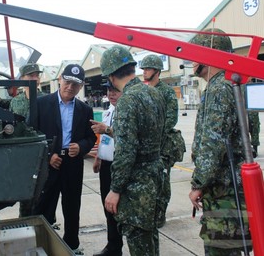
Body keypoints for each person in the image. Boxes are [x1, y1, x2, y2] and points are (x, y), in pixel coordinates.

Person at [188, 29, 252, 255]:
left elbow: (212, 144)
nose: (192, 61)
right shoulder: (230, 84)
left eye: (196, 54)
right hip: (229, 186)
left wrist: (198, 183)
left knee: (222, 249)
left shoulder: (219, 88)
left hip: (224, 191)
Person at [101, 45, 165, 256]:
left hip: (137, 188)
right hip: (156, 179)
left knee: (139, 243)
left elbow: (126, 151)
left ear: (111, 75)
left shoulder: (128, 100)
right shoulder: (153, 93)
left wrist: (115, 189)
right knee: (151, 241)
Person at [33, 64, 97, 255]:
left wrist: (81, 146)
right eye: (67, 82)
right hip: (50, 163)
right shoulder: (42, 104)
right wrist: (47, 155)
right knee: (44, 205)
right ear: (60, 79)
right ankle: (42, 243)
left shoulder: (85, 110)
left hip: (72, 163)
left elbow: (91, 137)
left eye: (75, 85)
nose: (70, 87)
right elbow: (32, 133)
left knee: (71, 206)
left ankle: (71, 245)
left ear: (81, 86)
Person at [140, 54, 180, 228]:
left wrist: (154, 134)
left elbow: (171, 118)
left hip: (163, 146)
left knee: (163, 181)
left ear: (157, 71)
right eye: (143, 69)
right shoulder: (144, 90)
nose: (144, 72)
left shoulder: (166, 92)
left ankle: (160, 213)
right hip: (148, 147)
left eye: (147, 69)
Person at [90, 81, 123, 256]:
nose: (111, 94)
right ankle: (113, 246)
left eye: (115, 90)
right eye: (109, 90)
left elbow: (127, 138)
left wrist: (107, 129)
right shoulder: (108, 111)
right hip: (106, 165)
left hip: (121, 165)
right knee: (108, 206)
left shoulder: (127, 111)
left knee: (121, 208)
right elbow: (104, 139)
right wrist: (98, 157)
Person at [9, 62, 45, 217]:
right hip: (22, 154)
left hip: (42, 152)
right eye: (31, 75)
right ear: (22, 78)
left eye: (37, 75)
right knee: (26, 195)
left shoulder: (47, 99)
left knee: (44, 195)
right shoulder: (15, 102)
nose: (35, 78)